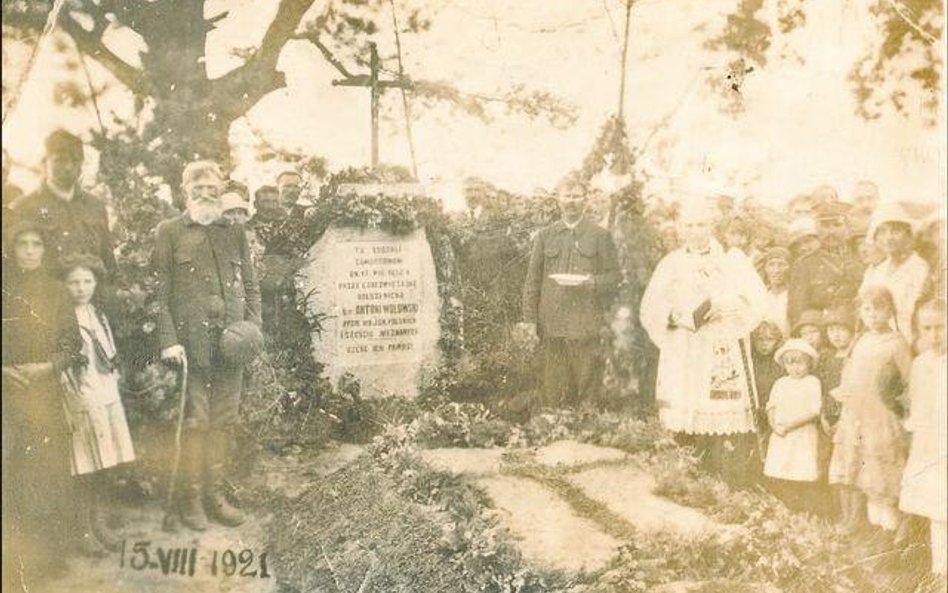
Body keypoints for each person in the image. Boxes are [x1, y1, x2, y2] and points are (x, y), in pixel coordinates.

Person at [154, 160, 262, 531]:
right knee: (196, 423)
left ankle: (215, 495)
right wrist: (168, 340)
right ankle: (191, 499)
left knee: (224, 421)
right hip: (191, 347)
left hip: (231, 345)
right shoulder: (169, 231)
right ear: (184, 191)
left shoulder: (233, 232)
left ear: (221, 192)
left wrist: (253, 329)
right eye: (197, 188)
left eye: (212, 189)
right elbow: (159, 294)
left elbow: (250, 285)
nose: (204, 194)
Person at [640, 200, 766, 486]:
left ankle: (722, 482)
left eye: (701, 224)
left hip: (719, 347)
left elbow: (756, 301)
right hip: (685, 347)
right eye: (689, 225)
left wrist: (730, 306)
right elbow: (650, 307)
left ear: (712, 227)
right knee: (685, 411)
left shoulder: (732, 261)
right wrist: (675, 317)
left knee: (720, 413)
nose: (695, 231)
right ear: (681, 228)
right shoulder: (671, 263)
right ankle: (685, 479)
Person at [2, 221, 84, 589]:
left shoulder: (56, 292)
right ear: (12, 249)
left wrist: (48, 367)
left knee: (48, 472)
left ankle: (51, 557)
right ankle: (18, 561)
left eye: (37, 244)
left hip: (45, 393)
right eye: (23, 244)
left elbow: (72, 344)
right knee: (15, 473)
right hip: (8, 395)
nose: (30, 250)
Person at [59, 254, 135, 556]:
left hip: (105, 390)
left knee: (105, 457)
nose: (81, 288)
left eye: (87, 281)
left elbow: (107, 351)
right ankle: (83, 529)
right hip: (80, 393)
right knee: (84, 461)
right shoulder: (63, 317)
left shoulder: (97, 313)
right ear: (64, 285)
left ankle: (99, 521)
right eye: (74, 282)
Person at [521, 186, 620, 410]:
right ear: (559, 200)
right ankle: (555, 429)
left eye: (577, 196)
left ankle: (585, 431)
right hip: (552, 322)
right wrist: (530, 320)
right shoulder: (545, 236)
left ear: (585, 200)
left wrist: (593, 282)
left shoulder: (600, 236)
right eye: (567, 195)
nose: (571, 201)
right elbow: (532, 281)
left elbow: (615, 277)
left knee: (587, 390)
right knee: (553, 390)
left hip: (585, 323)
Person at [829, 286, 912, 536]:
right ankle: (859, 524)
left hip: (881, 415)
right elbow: (850, 374)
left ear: (890, 311)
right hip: (856, 415)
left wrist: (903, 413)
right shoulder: (861, 340)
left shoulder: (897, 344)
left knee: (880, 472)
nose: (873, 315)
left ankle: (887, 530)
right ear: (860, 312)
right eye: (867, 309)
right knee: (854, 468)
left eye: (879, 309)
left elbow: (909, 381)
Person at [8, 130, 116, 275]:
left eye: (75, 161)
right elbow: (12, 272)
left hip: (93, 295)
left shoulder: (95, 207)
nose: (68, 167)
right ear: (44, 162)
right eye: (61, 160)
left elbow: (109, 264)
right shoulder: (23, 209)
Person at [899, 299, 947, 577]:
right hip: (931, 445)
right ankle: (940, 570)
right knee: (938, 507)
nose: (933, 335)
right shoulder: (919, 364)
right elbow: (918, 407)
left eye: (940, 328)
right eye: (926, 328)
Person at [764, 339, 822, 514]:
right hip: (781, 434)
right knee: (781, 470)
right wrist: (774, 425)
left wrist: (790, 425)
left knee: (801, 471)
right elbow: (771, 406)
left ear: (809, 364)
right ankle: (784, 510)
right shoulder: (780, 383)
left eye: (799, 363)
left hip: (802, 433)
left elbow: (814, 410)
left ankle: (803, 512)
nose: (795, 368)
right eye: (790, 363)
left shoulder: (812, 382)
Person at [861, 201, 931, 345]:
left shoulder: (919, 268)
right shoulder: (875, 271)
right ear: (876, 238)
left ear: (908, 235)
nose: (889, 237)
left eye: (896, 231)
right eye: (883, 231)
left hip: (910, 342)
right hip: (878, 342)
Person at [788, 201, 863, 326]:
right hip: (820, 333)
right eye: (825, 226)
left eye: (836, 225)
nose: (831, 231)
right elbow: (797, 312)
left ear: (847, 227)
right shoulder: (804, 265)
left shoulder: (861, 259)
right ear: (816, 229)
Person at [750, 320, 784, 435]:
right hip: (753, 411)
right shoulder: (751, 362)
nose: (764, 344)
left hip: (773, 412)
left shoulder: (779, 362)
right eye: (760, 339)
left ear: (777, 341)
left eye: (770, 339)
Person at [758, 247, 791, 336]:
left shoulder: (794, 296)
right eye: (771, 264)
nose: (776, 270)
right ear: (765, 268)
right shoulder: (759, 296)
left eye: (782, 264)